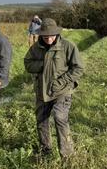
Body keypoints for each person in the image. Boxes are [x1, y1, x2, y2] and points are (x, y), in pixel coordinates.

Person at [24, 18, 84, 157]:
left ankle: (67, 155)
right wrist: (43, 64)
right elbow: (27, 64)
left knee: (59, 118)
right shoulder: (36, 48)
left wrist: (62, 82)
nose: (48, 39)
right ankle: (45, 151)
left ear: (56, 33)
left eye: (51, 35)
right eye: (45, 36)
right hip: (42, 90)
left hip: (62, 90)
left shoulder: (68, 46)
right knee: (41, 120)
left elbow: (78, 68)